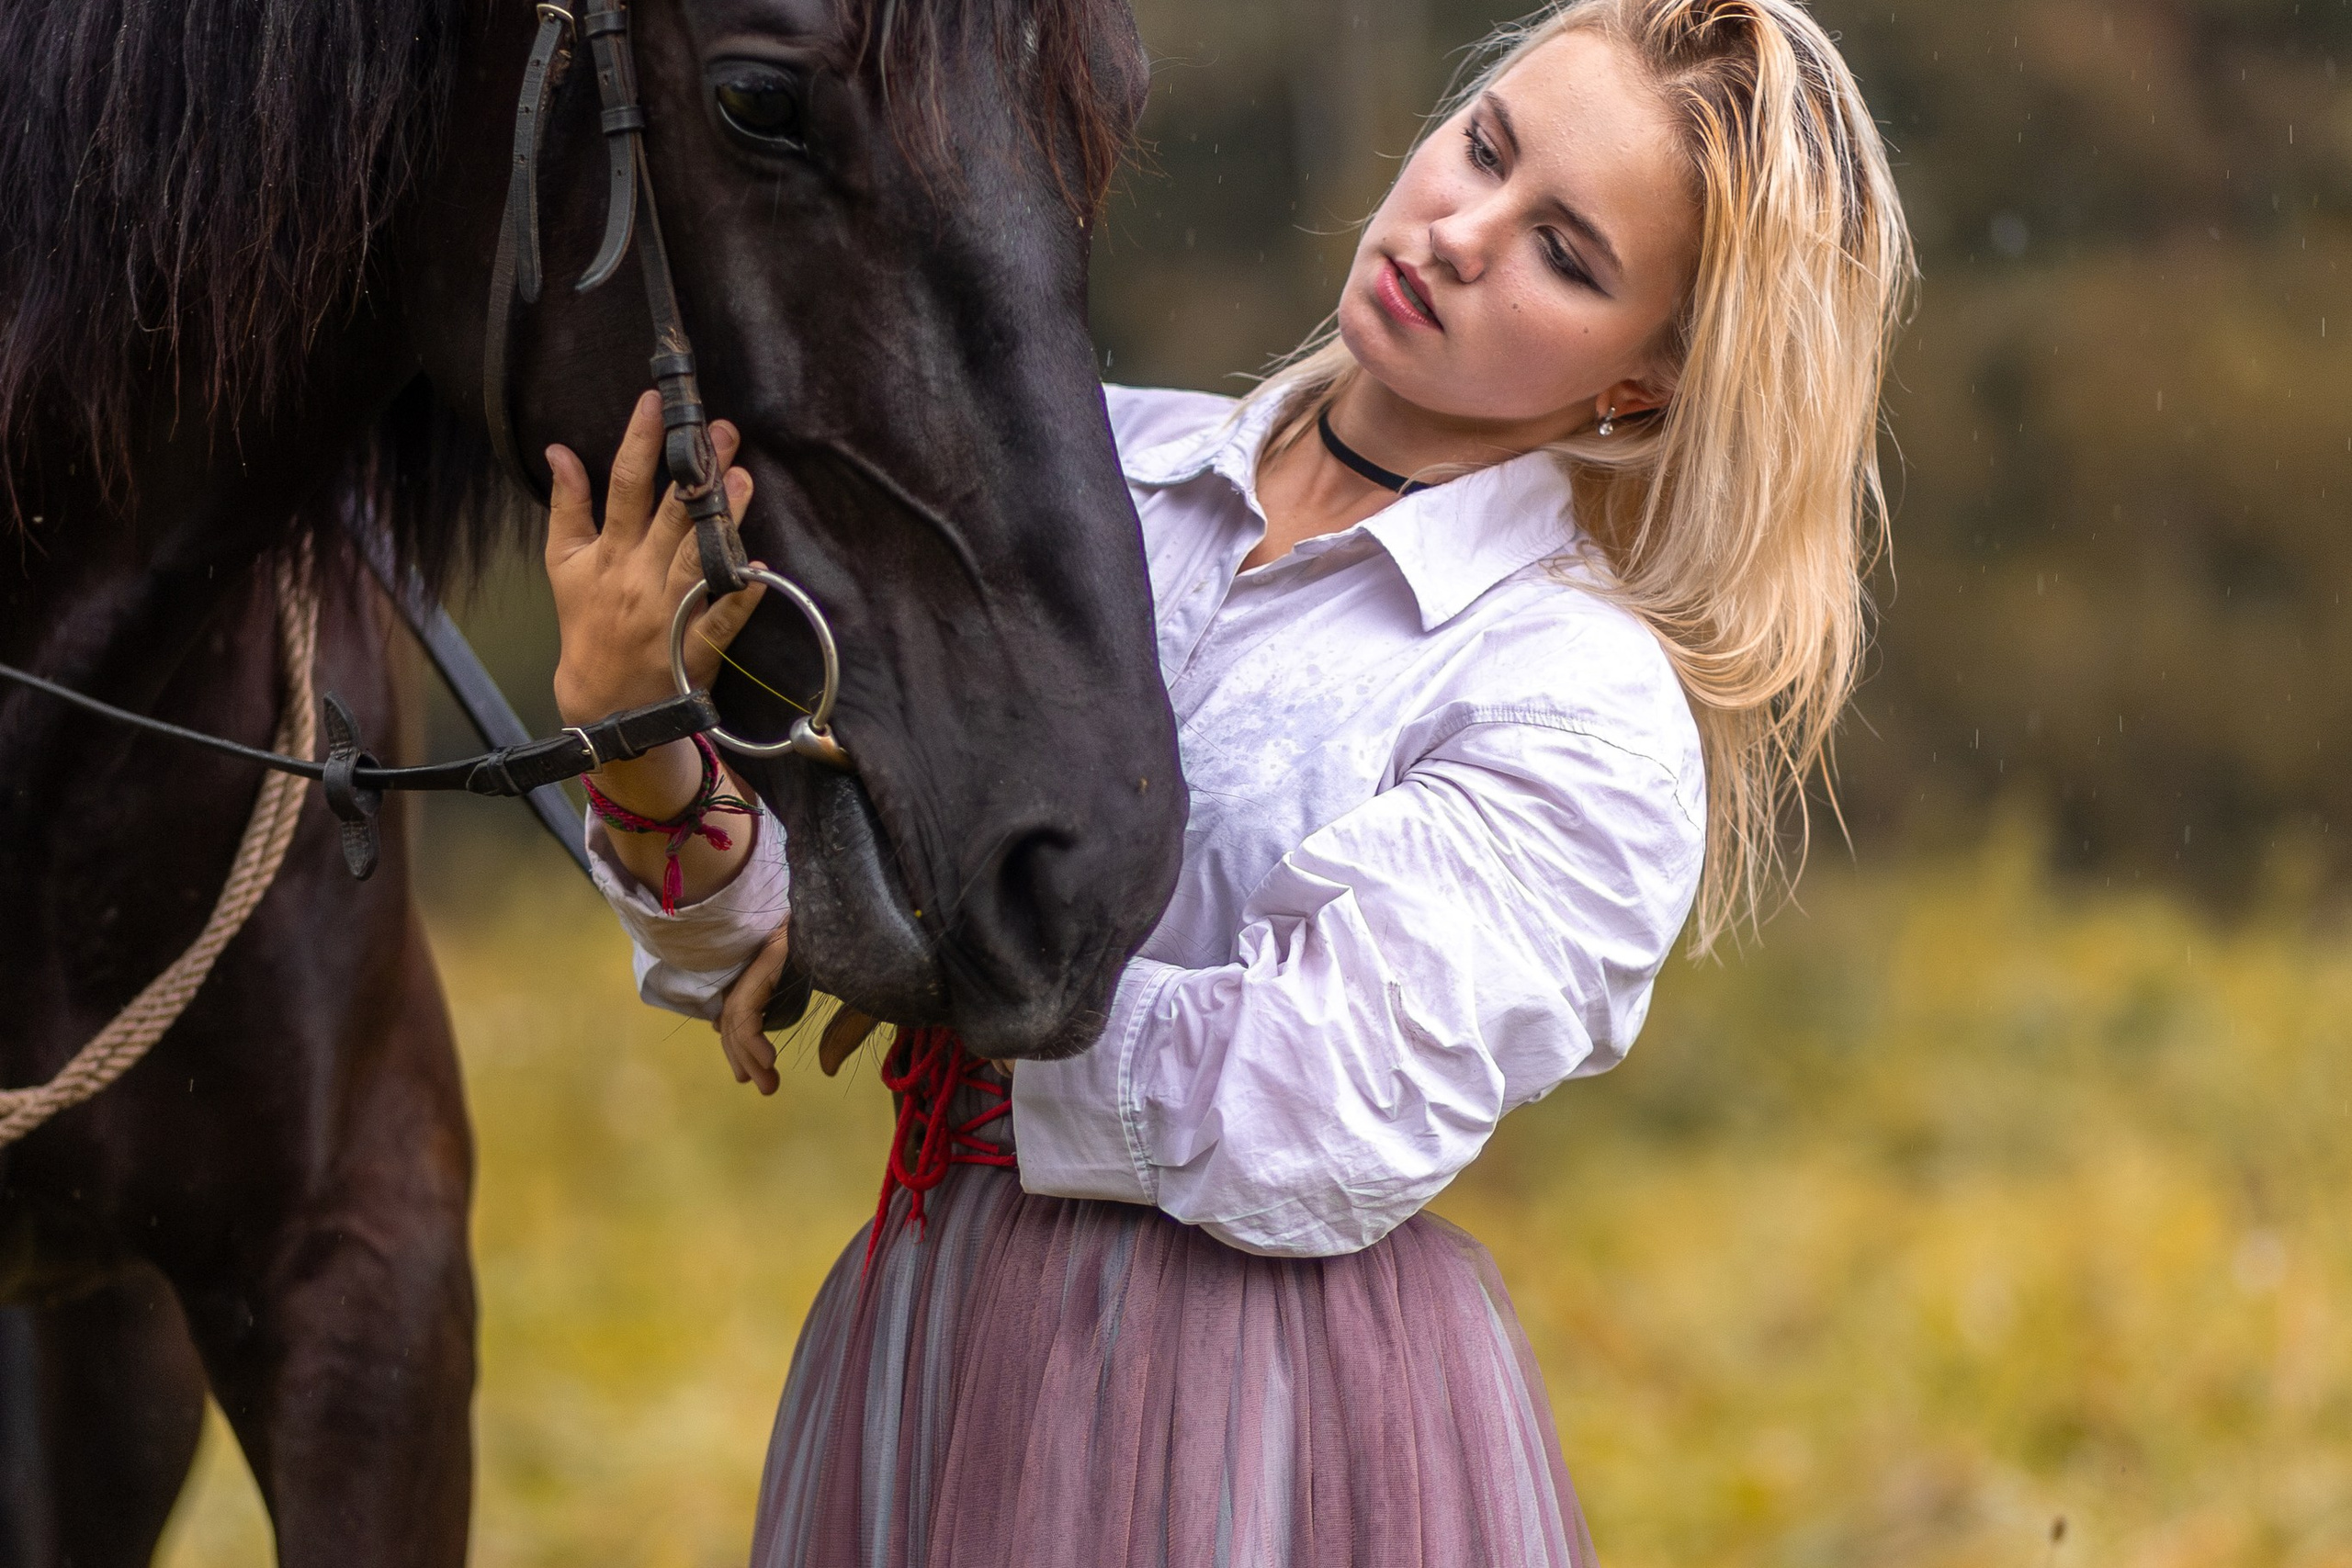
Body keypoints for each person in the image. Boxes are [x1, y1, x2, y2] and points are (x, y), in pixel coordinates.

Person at [544, 1, 1913, 1562]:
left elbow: (1302, 1111)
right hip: (919, 1335)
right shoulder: (1083, 481)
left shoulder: (1575, 698)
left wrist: (952, 975)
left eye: (1565, 255)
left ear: (1644, 385)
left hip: (1256, 1417)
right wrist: (633, 727)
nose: (1460, 232)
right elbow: (781, 931)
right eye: (1483, 147)